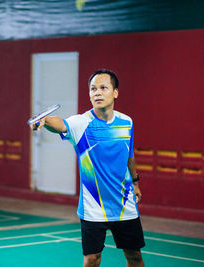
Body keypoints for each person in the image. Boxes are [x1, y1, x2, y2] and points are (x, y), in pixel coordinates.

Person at [30, 69, 145, 267]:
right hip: (93, 207)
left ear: (115, 92)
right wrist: (46, 120)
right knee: (92, 259)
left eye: (103, 88)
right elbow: (61, 124)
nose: (97, 93)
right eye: (93, 89)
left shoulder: (127, 122)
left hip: (124, 203)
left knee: (134, 256)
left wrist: (135, 182)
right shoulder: (81, 123)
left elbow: (129, 155)